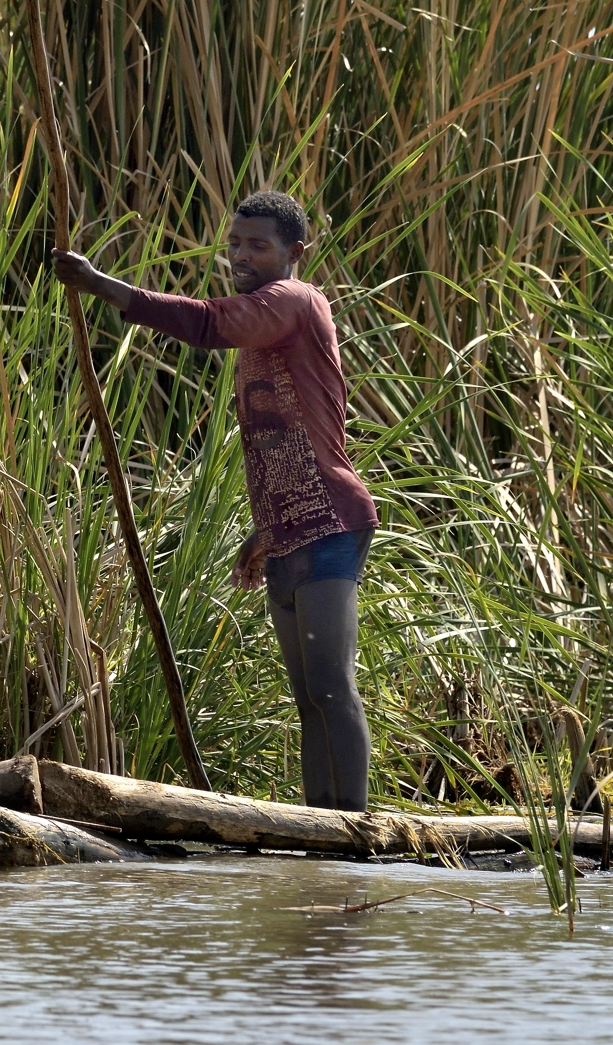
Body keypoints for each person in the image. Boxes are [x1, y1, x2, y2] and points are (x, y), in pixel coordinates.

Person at [52, 190, 377, 812]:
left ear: (294, 253)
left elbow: (204, 323)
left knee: (332, 685)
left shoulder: (292, 301)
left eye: (258, 245)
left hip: (332, 523)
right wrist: (263, 530)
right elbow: (274, 443)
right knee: (307, 693)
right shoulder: (262, 322)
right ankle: (321, 821)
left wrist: (102, 286)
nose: (240, 256)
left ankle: (353, 829)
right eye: (234, 244)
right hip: (288, 530)